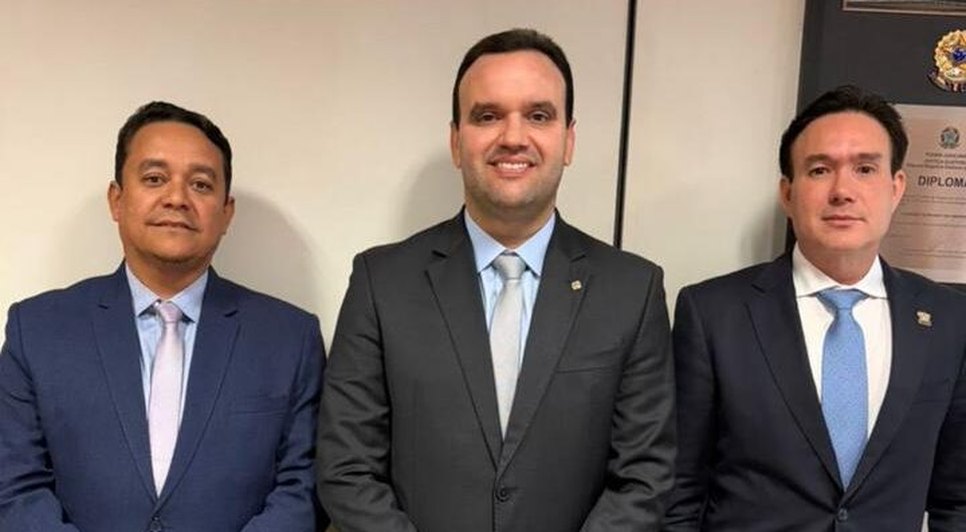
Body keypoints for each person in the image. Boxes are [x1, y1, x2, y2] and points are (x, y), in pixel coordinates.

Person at [317, 28, 675, 532]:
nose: (513, 136)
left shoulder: (632, 290)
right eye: (487, 116)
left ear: (568, 140)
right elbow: (346, 468)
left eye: (539, 115)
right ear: (456, 140)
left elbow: (645, 477)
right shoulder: (382, 282)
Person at [0, 101, 325, 532]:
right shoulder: (37, 329)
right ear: (117, 200)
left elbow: (303, 488)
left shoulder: (290, 338)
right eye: (154, 178)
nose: (177, 198)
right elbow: (15, 486)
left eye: (201, 185)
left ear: (226, 213)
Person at [664, 85, 966, 530]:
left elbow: (957, 499)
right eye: (820, 170)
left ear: (896, 188)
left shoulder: (948, 320)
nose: (843, 191)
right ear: (787, 193)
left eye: (865, 169)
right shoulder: (713, 314)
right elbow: (679, 492)